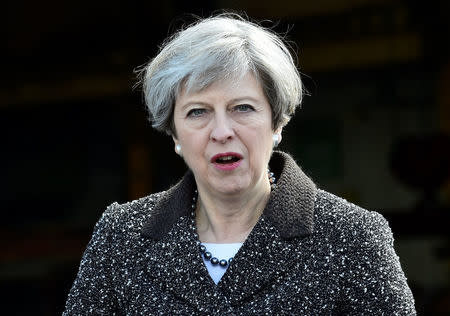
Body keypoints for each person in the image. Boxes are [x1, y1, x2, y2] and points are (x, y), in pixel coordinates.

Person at [63, 13, 416, 315]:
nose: (221, 131)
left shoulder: (353, 238)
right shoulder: (120, 238)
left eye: (242, 108)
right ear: (174, 134)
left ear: (277, 123)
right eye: (197, 112)